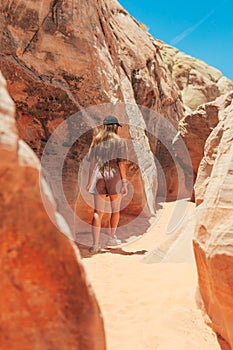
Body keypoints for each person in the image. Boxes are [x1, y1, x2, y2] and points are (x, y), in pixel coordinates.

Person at [86, 115, 128, 253]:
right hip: (114, 176)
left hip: (99, 176)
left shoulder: (97, 140)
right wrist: (124, 182)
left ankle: (95, 244)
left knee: (98, 212)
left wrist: (89, 181)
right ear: (115, 127)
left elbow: (92, 163)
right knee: (115, 210)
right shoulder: (120, 142)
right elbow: (121, 164)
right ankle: (111, 237)